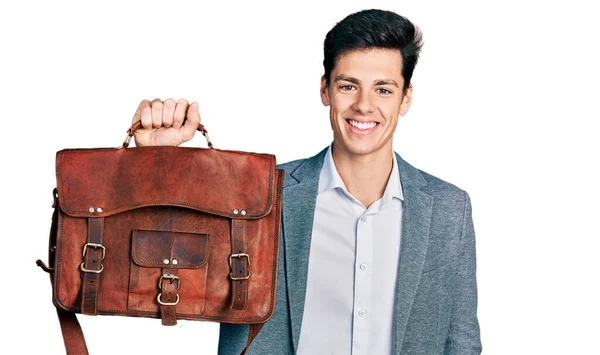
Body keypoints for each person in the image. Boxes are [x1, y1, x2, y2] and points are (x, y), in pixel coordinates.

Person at [131, 9, 482, 355]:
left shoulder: (449, 210)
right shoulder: (263, 194)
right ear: (325, 90)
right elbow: (166, 264)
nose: (364, 105)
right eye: (349, 86)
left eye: (383, 90)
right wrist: (158, 164)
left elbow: (462, 344)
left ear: (406, 98)